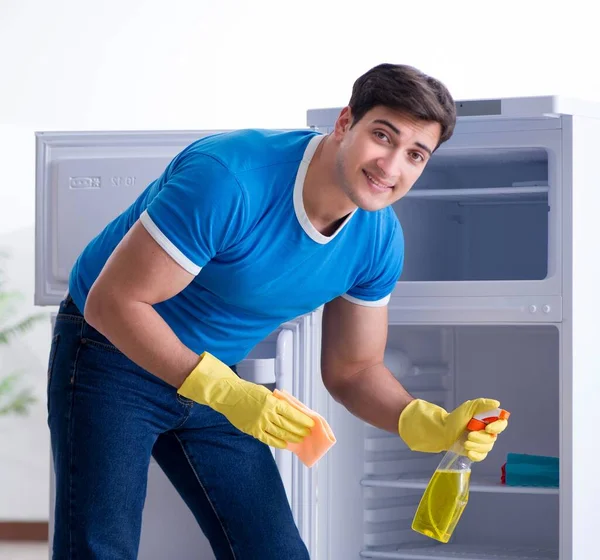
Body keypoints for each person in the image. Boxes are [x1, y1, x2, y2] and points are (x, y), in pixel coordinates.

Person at [47, 63, 508, 559]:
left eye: (415, 154)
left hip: (215, 375)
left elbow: (353, 370)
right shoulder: (231, 178)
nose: (391, 167)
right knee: (99, 548)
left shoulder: (378, 241)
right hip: (111, 352)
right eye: (382, 136)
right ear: (344, 122)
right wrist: (224, 391)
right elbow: (113, 302)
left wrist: (423, 420)